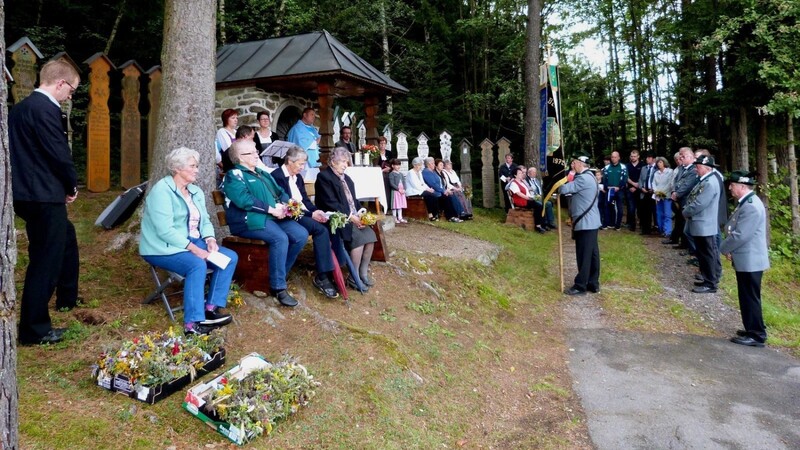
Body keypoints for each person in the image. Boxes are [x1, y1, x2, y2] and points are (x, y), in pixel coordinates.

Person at [10, 60, 82, 345]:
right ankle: (34, 329)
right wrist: (70, 185)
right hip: (42, 194)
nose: (69, 97)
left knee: (66, 236)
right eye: (72, 90)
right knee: (44, 261)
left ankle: (67, 295)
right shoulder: (46, 108)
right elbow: (57, 153)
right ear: (60, 83)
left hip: (26, 193)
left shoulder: (20, 109)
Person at [140, 147, 238, 335]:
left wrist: (209, 239)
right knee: (196, 265)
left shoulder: (195, 191)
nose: (197, 170)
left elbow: (206, 220)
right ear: (177, 168)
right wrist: (195, 249)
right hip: (161, 247)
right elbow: (164, 231)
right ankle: (192, 324)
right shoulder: (162, 191)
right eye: (192, 166)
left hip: (192, 241)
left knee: (229, 257)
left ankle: (210, 309)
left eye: (197, 166)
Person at [223, 140, 309, 307]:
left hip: (272, 218)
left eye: (256, 151)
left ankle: (278, 274)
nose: (257, 154)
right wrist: (271, 209)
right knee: (280, 238)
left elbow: (280, 192)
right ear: (240, 157)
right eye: (252, 152)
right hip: (249, 221)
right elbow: (244, 200)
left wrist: (287, 204)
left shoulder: (262, 173)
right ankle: (278, 288)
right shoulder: (234, 175)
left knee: (300, 234)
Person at [271, 145, 339, 299]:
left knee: (329, 223)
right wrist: (310, 214)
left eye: (303, 164)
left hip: (303, 213)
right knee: (320, 229)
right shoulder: (277, 177)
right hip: (288, 216)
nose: (303, 167)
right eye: (300, 164)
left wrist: (315, 211)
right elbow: (288, 205)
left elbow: (304, 199)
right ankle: (322, 276)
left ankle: (335, 268)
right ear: (289, 161)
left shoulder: (298, 177)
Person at [315, 147, 378, 289]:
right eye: (342, 161)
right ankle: (353, 276)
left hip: (352, 216)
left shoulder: (347, 179)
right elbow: (330, 203)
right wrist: (350, 217)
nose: (345, 165)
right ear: (333, 162)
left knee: (371, 237)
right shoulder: (324, 177)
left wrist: (361, 214)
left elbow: (354, 201)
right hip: (335, 217)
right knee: (359, 239)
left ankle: (362, 273)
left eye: (346, 162)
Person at [720, 171, 770, 347]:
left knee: (750, 297)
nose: (730, 188)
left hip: (751, 260)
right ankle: (751, 327)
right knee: (747, 296)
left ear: (741, 186)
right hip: (747, 259)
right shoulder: (747, 203)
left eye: (732, 185)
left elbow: (740, 235)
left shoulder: (750, 205)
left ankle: (756, 334)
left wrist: (723, 248)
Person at [560, 154, 601, 295]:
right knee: (593, 254)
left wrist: (563, 179)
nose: (572, 166)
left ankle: (580, 285)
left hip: (586, 223)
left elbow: (564, 189)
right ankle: (593, 283)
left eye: (574, 163)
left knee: (584, 255)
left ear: (581, 164)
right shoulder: (591, 177)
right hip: (591, 222)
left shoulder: (583, 178)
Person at [682, 155, 721, 294]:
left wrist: (685, 212)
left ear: (706, 168)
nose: (695, 169)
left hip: (705, 225)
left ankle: (711, 283)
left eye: (698, 167)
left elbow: (699, 203)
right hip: (701, 224)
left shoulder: (710, 183)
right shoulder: (705, 181)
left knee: (707, 254)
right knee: (703, 254)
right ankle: (707, 279)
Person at [669, 147, 699, 249]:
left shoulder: (694, 169)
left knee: (686, 222)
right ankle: (682, 243)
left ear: (691, 157)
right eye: (680, 156)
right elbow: (677, 181)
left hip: (686, 199)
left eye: (683, 156)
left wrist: (677, 194)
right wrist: (674, 191)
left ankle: (688, 246)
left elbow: (688, 185)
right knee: (679, 221)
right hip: (679, 198)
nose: (680, 158)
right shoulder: (682, 168)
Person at [423, 157, 464, 222]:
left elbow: (439, 184)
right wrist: (443, 191)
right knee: (446, 197)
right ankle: (451, 217)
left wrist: (445, 190)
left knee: (448, 196)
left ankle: (455, 215)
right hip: (433, 192)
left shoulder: (432, 172)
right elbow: (433, 184)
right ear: (428, 164)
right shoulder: (426, 172)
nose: (434, 164)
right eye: (433, 163)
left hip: (438, 191)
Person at [507, 167, 547, 233]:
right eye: (519, 173)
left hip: (525, 200)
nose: (521, 174)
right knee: (539, 206)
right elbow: (519, 194)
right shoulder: (513, 183)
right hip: (520, 202)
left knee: (540, 205)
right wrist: (529, 198)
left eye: (521, 173)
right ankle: (538, 226)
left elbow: (527, 192)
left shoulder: (522, 182)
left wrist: (533, 197)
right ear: (515, 175)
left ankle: (542, 224)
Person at [405, 157, 440, 221]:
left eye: (420, 165)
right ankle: (430, 213)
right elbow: (416, 185)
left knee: (434, 195)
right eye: (419, 165)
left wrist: (429, 188)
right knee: (429, 195)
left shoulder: (420, 172)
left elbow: (423, 183)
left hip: (420, 190)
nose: (420, 167)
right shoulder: (411, 173)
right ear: (414, 165)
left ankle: (435, 214)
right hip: (413, 191)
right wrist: (426, 190)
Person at [601, 151, 627, 230]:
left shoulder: (623, 167)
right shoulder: (607, 167)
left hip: (619, 190)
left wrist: (619, 187)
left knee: (620, 208)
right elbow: (604, 179)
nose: (613, 158)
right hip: (609, 190)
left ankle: (618, 225)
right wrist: (607, 187)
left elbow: (625, 178)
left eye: (615, 157)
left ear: (619, 157)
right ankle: (606, 224)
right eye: (612, 157)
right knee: (606, 206)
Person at [652, 156, 674, 238]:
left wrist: (663, 192)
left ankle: (668, 231)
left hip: (667, 196)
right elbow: (653, 183)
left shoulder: (670, 172)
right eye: (658, 162)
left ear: (664, 163)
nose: (659, 164)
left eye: (660, 162)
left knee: (667, 214)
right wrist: (656, 191)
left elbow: (670, 183)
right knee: (659, 213)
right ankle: (661, 230)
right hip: (658, 196)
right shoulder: (656, 173)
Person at [637, 152, 657, 235]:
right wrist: (641, 188)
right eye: (647, 158)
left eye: (649, 158)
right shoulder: (644, 168)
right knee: (645, 212)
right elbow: (640, 179)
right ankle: (645, 229)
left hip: (653, 192)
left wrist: (654, 189)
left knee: (655, 211)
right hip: (644, 192)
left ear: (653, 159)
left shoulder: (657, 168)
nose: (647, 159)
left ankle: (656, 227)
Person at [625, 149, 644, 231]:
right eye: (631, 156)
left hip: (640, 190)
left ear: (638, 156)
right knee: (631, 208)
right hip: (630, 190)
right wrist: (633, 184)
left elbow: (643, 178)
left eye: (634, 156)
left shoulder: (643, 165)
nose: (633, 158)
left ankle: (642, 224)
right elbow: (626, 177)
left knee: (641, 209)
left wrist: (637, 186)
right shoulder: (627, 166)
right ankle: (632, 225)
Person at [387, 158, 408, 224]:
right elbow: (391, 183)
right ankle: (394, 218)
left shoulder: (401, 174)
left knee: (400, 205)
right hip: (395, 192)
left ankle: (400, 217)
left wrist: (404, 189)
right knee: (395, 205)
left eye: (399, 165)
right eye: (396, 165)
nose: (398, 166)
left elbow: (404, 182)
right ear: (392, 166)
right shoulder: (391, 174)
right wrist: (398, 189)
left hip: (401, 192)